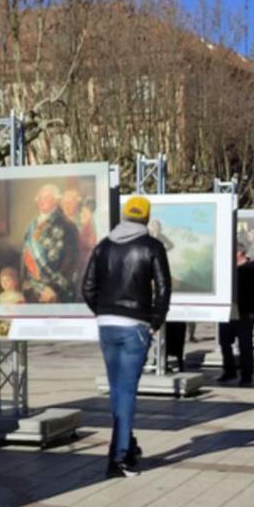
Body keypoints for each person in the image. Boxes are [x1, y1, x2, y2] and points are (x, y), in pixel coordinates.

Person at [82, 196, 171, 479]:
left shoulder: (104, 245)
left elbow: (87, 287)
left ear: (124, 216)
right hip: (136, 325)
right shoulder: (152, 246)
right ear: (145, 218)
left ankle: (126, 447)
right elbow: (163, 288)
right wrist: (156, 320)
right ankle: (119, 458)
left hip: (107, 325)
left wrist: (103, 311)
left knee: (118, 390)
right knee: (127, 391)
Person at [21, 184, 79, 304]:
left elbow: (71, 261)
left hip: (56, 293)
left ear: (56, 200)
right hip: (32, 291)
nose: (41, 201)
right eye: (39, 197)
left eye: (46, 197)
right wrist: (24, 282)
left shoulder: (67, 226)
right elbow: (25, 255)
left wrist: (53, 288)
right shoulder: (31, 225)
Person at [219, 246, 254, 386]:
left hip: (245, 313)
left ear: (239, 253)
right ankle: (229, 371)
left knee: (245, 345)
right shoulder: (229, 268)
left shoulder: (253, 269)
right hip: (228, 312)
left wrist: (253, 309)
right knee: (224, 342)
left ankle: (246, 375)